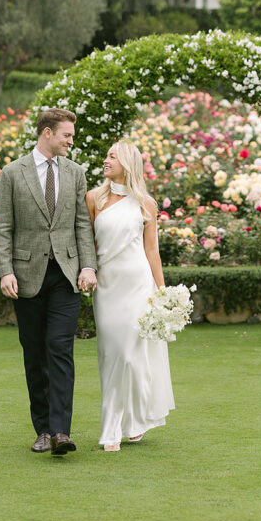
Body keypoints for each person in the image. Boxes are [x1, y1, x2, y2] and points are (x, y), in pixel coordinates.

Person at [0, 107, 97, 456]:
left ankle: (60, 432)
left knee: (60, 350)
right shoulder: (12, 173)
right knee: (35, 353)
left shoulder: (76, 173)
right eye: (67, 134)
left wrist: (88, 266)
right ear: (47, 132)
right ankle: (42, 429)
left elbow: (82, 224)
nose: (71, 140)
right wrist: (5, 270)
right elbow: (2, 227)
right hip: (26, 278)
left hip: (66, 276)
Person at [86, 139, 175, 451]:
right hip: (108, 287)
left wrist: (162, 292)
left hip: (139, 285)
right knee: (112, 354)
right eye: (107, 155)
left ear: (128, 164)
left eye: (113, 156)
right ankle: (113, 424)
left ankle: (131, 424)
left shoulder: (145, 204)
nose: (106, 160)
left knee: (133, 356)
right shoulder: (93, 198)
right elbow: (89, 246)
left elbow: (151, 250)